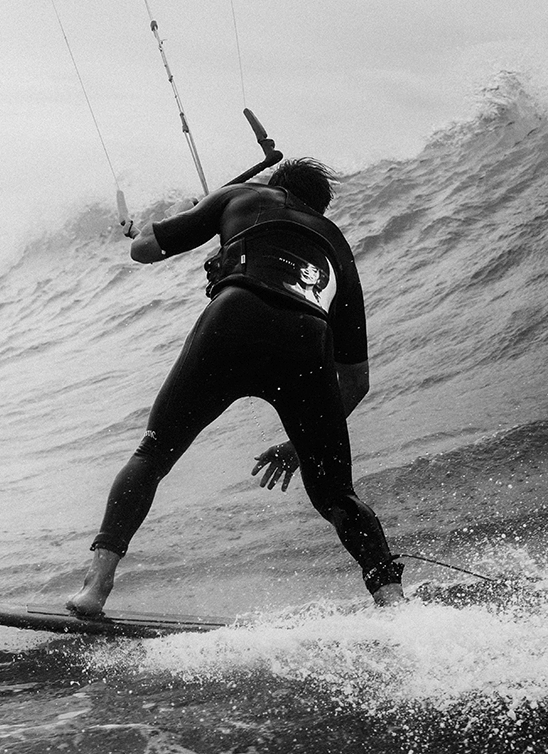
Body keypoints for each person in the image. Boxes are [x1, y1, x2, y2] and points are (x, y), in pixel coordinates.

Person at [67, 158, 405, 615]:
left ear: (275, 185)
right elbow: (357, 379)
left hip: (234, 318)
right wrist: (296, 446)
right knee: (337, 495)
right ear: (319, 207)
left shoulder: (241, 195)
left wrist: (203, 214)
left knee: (152, 455)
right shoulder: (336, 243)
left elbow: (142, 249)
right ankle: (392, 603)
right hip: (307, 339)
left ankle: (95, 587)